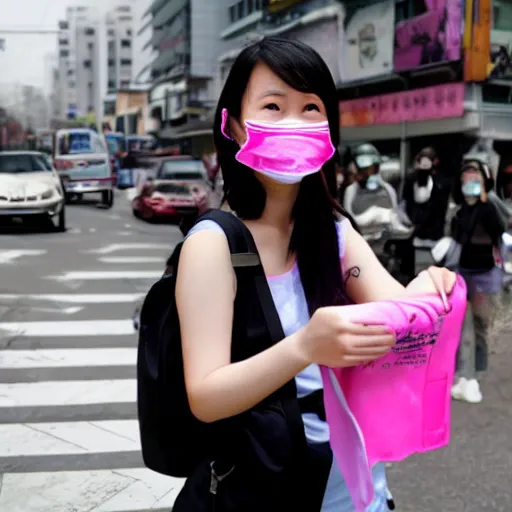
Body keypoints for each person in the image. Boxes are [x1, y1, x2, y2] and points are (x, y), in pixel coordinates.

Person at [173, 37, 455, 511]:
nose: (294, 122)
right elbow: (205, 394)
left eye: (310, 107)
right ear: (235, 127)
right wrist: (305, 346)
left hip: (357, 488)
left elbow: (399, 310)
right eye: (272, 106)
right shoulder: (213, 245)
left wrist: (427, 291)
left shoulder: (334, 233)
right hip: (267, 488)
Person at [450, 160, 504, 404]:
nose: (469, 182)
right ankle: (458, 375)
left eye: (475, 178)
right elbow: (454, 239)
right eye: (466, 179)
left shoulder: (489, 207)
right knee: (457, 327)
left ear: (484, 181)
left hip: (484, 275)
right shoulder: (460, 211)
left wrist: (483, 200)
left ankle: (476, 376)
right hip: (463, 272)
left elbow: (498, 231)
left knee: (480, 327)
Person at [399, 147, 450, 278]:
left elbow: (442, 209)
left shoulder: (440, 184)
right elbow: (405, 204)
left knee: (433, 273)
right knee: (417, 273)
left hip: (435, 237)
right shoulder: (411, 181)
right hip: (414, 235)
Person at [342, 143, 405, 237]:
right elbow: (349, 221)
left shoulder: (387, 189)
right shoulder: (351, 191)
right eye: (364, 169)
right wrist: (372, 215)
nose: (367, 172)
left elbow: (394, 217)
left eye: (370, 168)